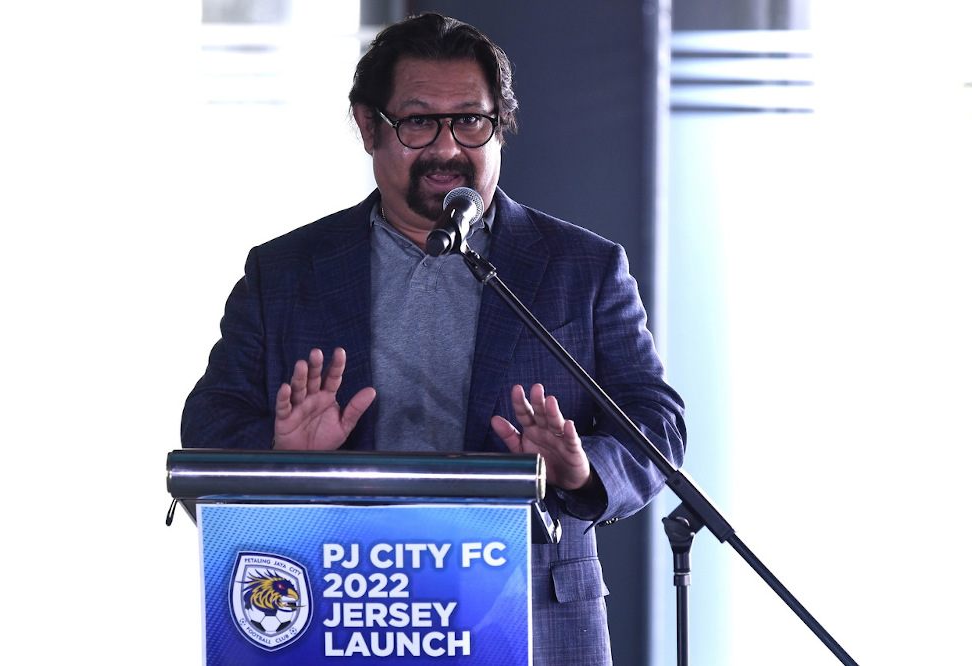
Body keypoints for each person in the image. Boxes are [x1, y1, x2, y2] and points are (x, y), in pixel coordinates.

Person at [182, 12, 686, 665]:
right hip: (341, 613)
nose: (448, 148)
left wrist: (580, 468)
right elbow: (210, 425)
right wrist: (282, 458)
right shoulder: (283, 271)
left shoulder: (583, 267)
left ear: (500, 125)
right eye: (419, 122)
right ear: (369, 126)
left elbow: (657, 426)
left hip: (530, 619)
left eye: (471, 120)